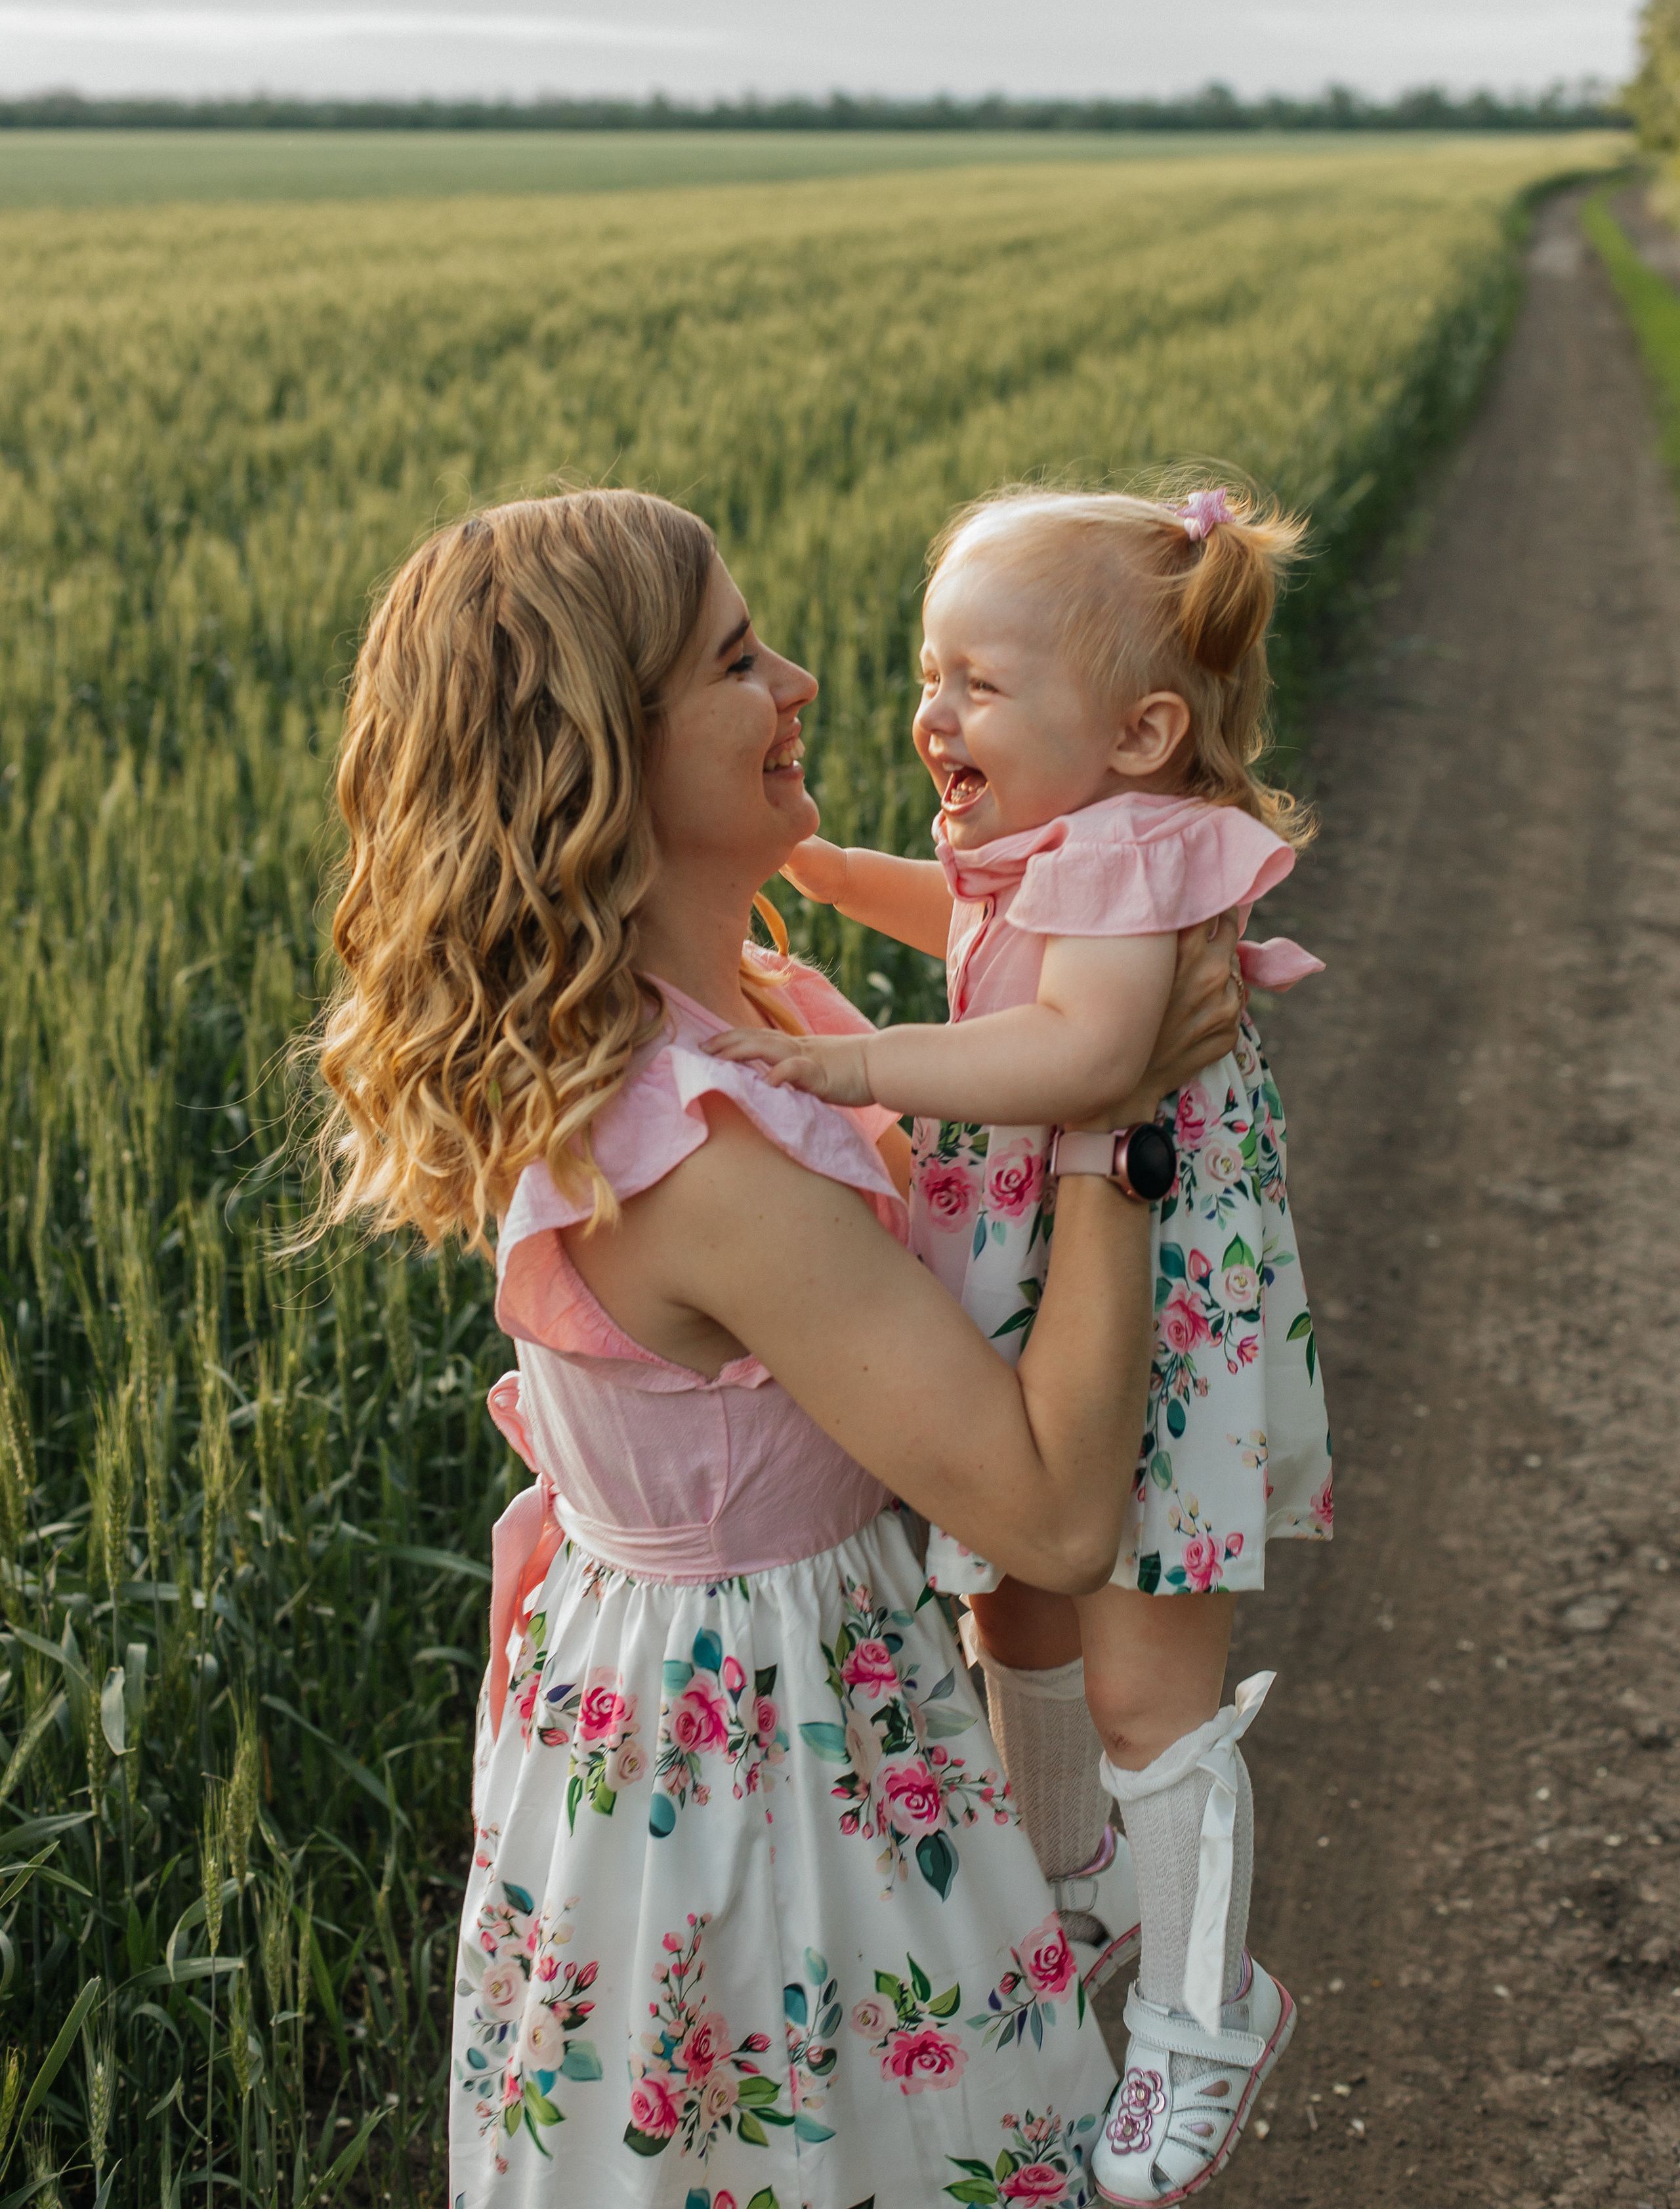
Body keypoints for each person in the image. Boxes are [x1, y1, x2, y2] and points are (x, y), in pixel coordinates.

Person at [308, 490, 1246, 2209]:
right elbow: (1048, 1518)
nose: (802, 678)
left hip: (729, 1707)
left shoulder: (750, 1004)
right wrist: (1125, 1122)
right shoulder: (704, 1159)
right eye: (740, 660)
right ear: (605, 759)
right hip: (753, 1784)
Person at [709, 483, 1332, 2205]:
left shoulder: (1148, 857)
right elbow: (986, 935)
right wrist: (826, 869)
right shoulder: (1076, 846)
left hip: (1153, 1343)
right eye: (932, 674)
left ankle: (1212, 2011)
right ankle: (1069, 1883)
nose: (932, 715)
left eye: (977, 684)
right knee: (1015, 1599)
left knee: (1151, 1695)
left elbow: (1076, 1058)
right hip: (1051, 1297)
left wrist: (854, 1068)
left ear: (1141, 733)